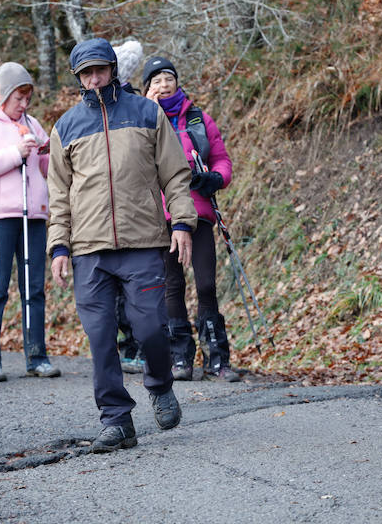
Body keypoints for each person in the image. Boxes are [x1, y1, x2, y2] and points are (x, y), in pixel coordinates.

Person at [47, 38, 197, 453]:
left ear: (114, 69)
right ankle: (116, 420)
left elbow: (175, 175)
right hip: (88, 249)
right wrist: (58, 246)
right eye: (86, 73)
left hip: (143, 241)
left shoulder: (147, 113)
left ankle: (160, 384)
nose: (94, 78)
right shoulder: (67, 126)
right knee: (100, 339)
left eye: (100, 69)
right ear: (78, 78)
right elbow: (58, 194)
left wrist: (183, 222)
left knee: (150, 327)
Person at [143, 56, 239, 382]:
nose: (163, 84)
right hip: (161, 214)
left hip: (199, 211)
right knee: (172, 285)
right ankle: (180, 358)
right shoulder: (142, 122)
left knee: (207, 283)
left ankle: (217, 359)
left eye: (168, 78)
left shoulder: (198, 118)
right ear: (147, 89)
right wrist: (148, 115)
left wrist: (215, 178)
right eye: (156, 80)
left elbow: (222, 159)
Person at [0, 62, 60, 382]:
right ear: (3, 95)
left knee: (34, 287)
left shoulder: (32, 123)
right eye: (19, 97)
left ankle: (37, 355)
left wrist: (48, 157)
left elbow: (42, 167)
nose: (24, 104)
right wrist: (15, 153)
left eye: (28, 98)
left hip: (33, 215)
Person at [111, 39, 145, 374]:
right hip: (107, 210)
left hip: (136, 206)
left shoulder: (137, 105)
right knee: (118, 287)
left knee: (136, 283)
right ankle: (128, 345)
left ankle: (138, 344)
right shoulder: (95, 107)